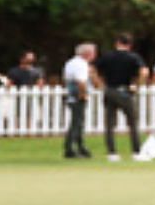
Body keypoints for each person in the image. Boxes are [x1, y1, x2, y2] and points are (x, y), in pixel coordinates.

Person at [92, 33, 147, 161]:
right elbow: (144, 72)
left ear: (117, 43)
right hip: (125, 91)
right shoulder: (133, 57)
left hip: (110, 89)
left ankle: (112, 153)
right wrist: (137, 85)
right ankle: (136, 151)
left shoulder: (107, 56)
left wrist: (99, 85)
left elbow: (93, 70)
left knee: (110, 123)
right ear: (129, 44)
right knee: (133, 122)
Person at [62, 44, 95, 159]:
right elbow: (81, 81)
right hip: (77, 95)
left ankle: (81, 147)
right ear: (87, 53)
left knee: (78, 122)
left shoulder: (71, 62)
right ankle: (69, 148)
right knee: (77, 123)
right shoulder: (81, 64)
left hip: (71, 94)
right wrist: (83, 94)